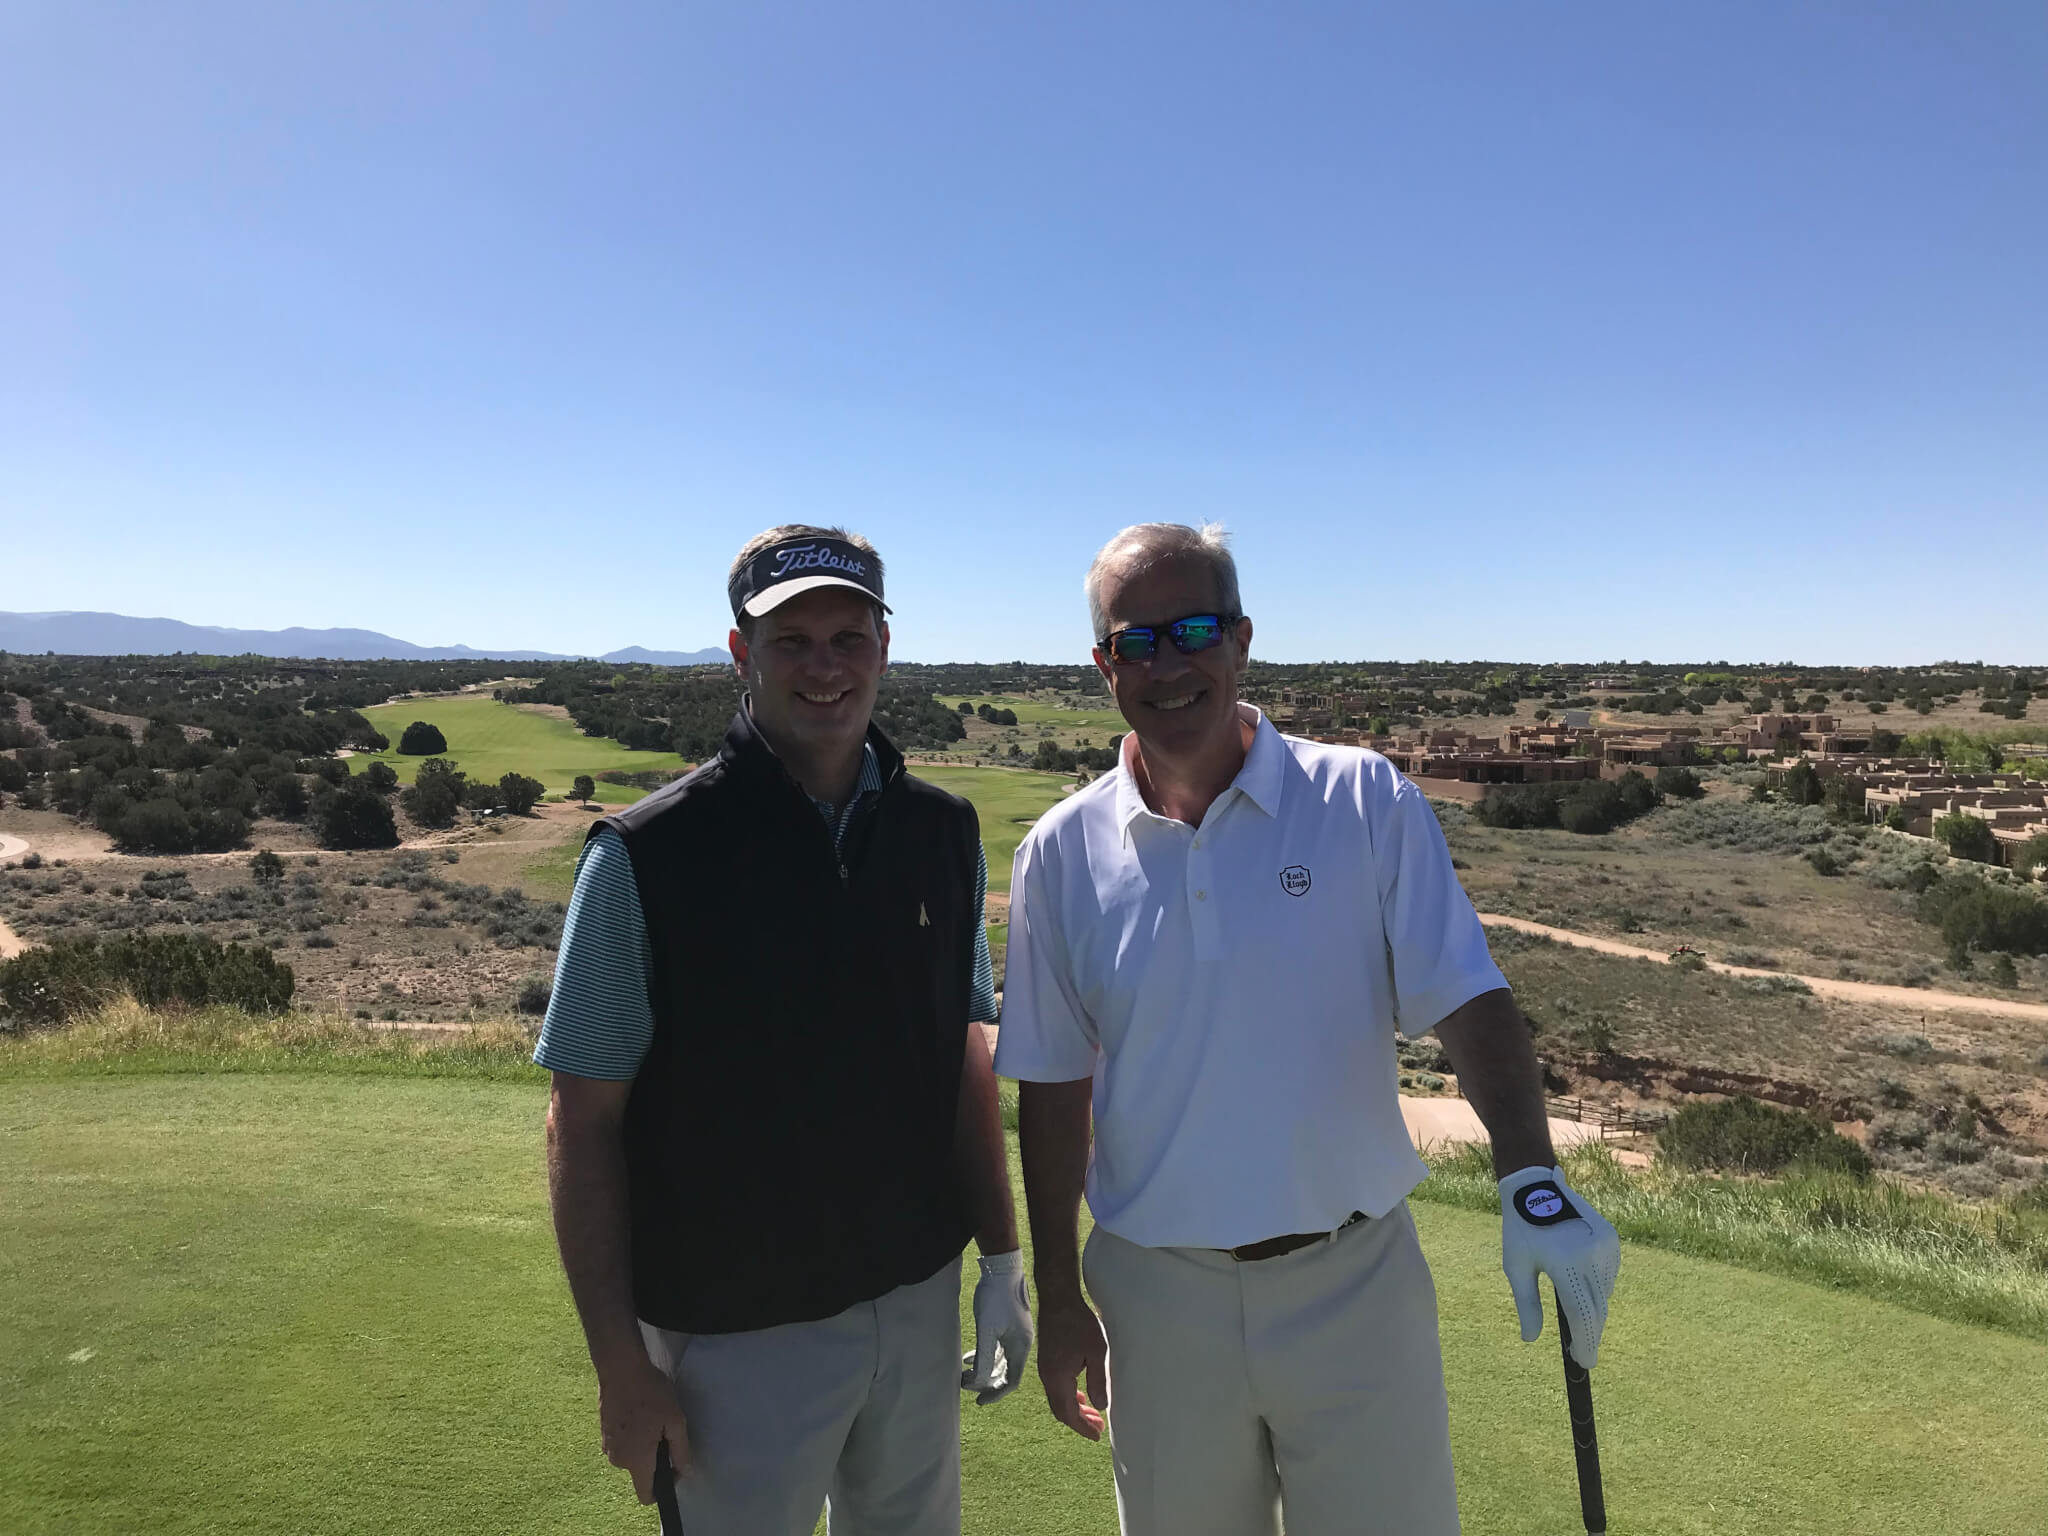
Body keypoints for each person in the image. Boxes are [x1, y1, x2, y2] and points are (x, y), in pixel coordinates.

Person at [995, 522, 1621, 1536]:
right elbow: (1054, 1084)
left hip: (1352, 1285)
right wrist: (1060, 1296)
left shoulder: (1360, 799)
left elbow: (1464, 998)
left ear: (1240, 641)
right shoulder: (1059, 854)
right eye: (1134, 641)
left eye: (1190, 629)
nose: (1166, 663)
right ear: (1103, 666)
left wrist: (1530, 1175)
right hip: (1156, 1302)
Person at [539, 524, 1031, 1535]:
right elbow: (580, 1122)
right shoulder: (648, 854)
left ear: (883, 650)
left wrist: (1000, 1258)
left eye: (847, 638)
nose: (823, 667)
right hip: (732, 1331)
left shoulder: (941, 834)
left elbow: (959, 1061)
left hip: (916, 1298)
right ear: (739, 655)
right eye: (789, 641)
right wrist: (620, 1368)